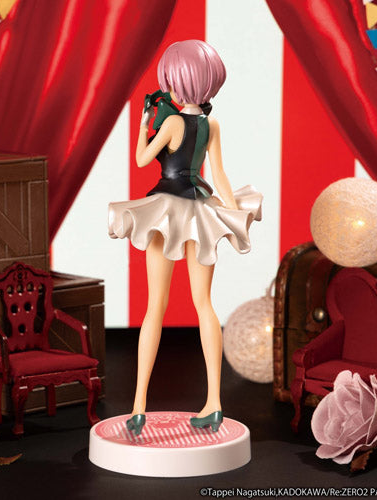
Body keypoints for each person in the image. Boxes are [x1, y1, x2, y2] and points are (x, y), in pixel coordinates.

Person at [108, 39, 262, 436]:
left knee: (155, 307)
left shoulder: (172, 123)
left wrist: (145, 124)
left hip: (167, 211)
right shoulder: (212, 125)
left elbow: (142, 160)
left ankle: (138, 407)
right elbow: (220, 175)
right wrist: (232, 213)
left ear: (177, 83)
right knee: (204, 304)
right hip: (200, 209)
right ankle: (214, 403)